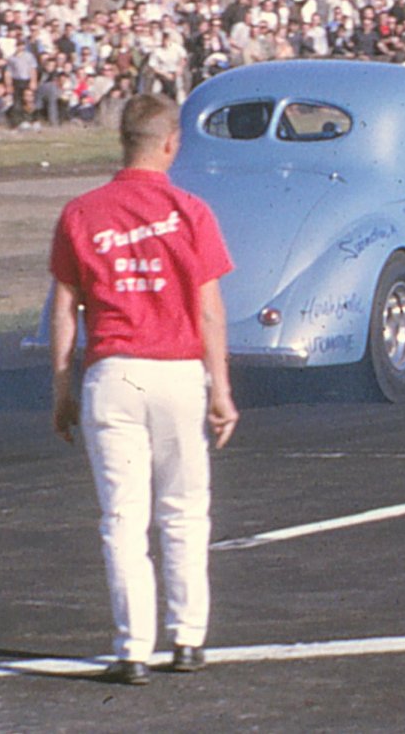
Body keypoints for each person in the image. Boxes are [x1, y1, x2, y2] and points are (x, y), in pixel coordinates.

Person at [49, 93, 238, 685]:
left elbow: (63, 311)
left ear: (122, 142)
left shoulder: (81, 213)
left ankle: (133, 648)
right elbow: (210, 310)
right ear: (170, 143)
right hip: (178, 369)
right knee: (185, 511)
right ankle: (187, 639)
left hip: (113, 372)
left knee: (123, 519)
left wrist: (61, 384)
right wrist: (221, 388)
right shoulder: (191, 211)